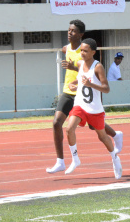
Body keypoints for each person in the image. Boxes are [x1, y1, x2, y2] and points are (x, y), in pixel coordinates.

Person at [47, 20, 122, 174]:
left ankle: (115, 136)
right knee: (58, 123)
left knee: (96, 128)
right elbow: (79, 68)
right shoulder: (66, 49)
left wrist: (85, 80)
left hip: (88, 95)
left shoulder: (92, 59)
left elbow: (98, 81)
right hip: (71, 93)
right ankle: (61, 161)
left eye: (73, 31)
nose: (69, 33)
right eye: (68, 30)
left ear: (80, 35)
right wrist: (73, 81)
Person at [62, 38, 122, 179]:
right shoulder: (80, 63)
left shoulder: (98, 67)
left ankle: (115, 158)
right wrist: (73, 82)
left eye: (85, 51)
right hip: (80, 105)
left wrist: (90, 85)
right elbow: (82, 76)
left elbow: (106, 88)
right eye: (81, 50)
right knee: (69, 128)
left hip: (94, 109)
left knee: (102, 136)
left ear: (93, 52)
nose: (82, 53)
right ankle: (75, 158)